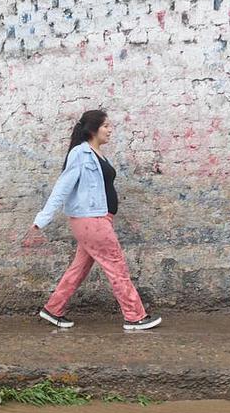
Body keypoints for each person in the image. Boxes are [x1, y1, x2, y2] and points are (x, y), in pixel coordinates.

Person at [23, 110, 162, 331]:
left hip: (99, 219)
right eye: (105, 126)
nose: (110, 130)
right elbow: (63, 186)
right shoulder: (81, 153)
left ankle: (53, 309)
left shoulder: (98, 154)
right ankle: (135, 317)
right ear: (92, 129)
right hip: (91, 220)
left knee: (78, 268)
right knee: (117, 266)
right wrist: (42, 218)